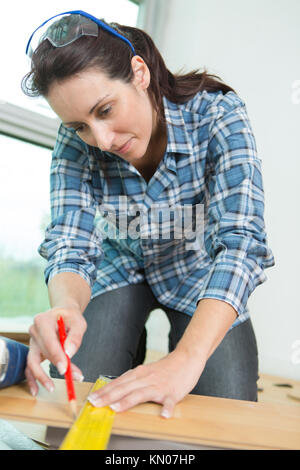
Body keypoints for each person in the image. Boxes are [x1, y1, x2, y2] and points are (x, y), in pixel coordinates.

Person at [22, 10, 275, 418]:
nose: (99, 140)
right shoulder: (76, 141)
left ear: (139, 73)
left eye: (105, 110)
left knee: (228, 414)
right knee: (81, 406)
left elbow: (241, 243)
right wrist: (66, 305)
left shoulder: (217, 114)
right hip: (118, 267)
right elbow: (71, 240)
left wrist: (185, 360)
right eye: (80, 126)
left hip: (200, 274)